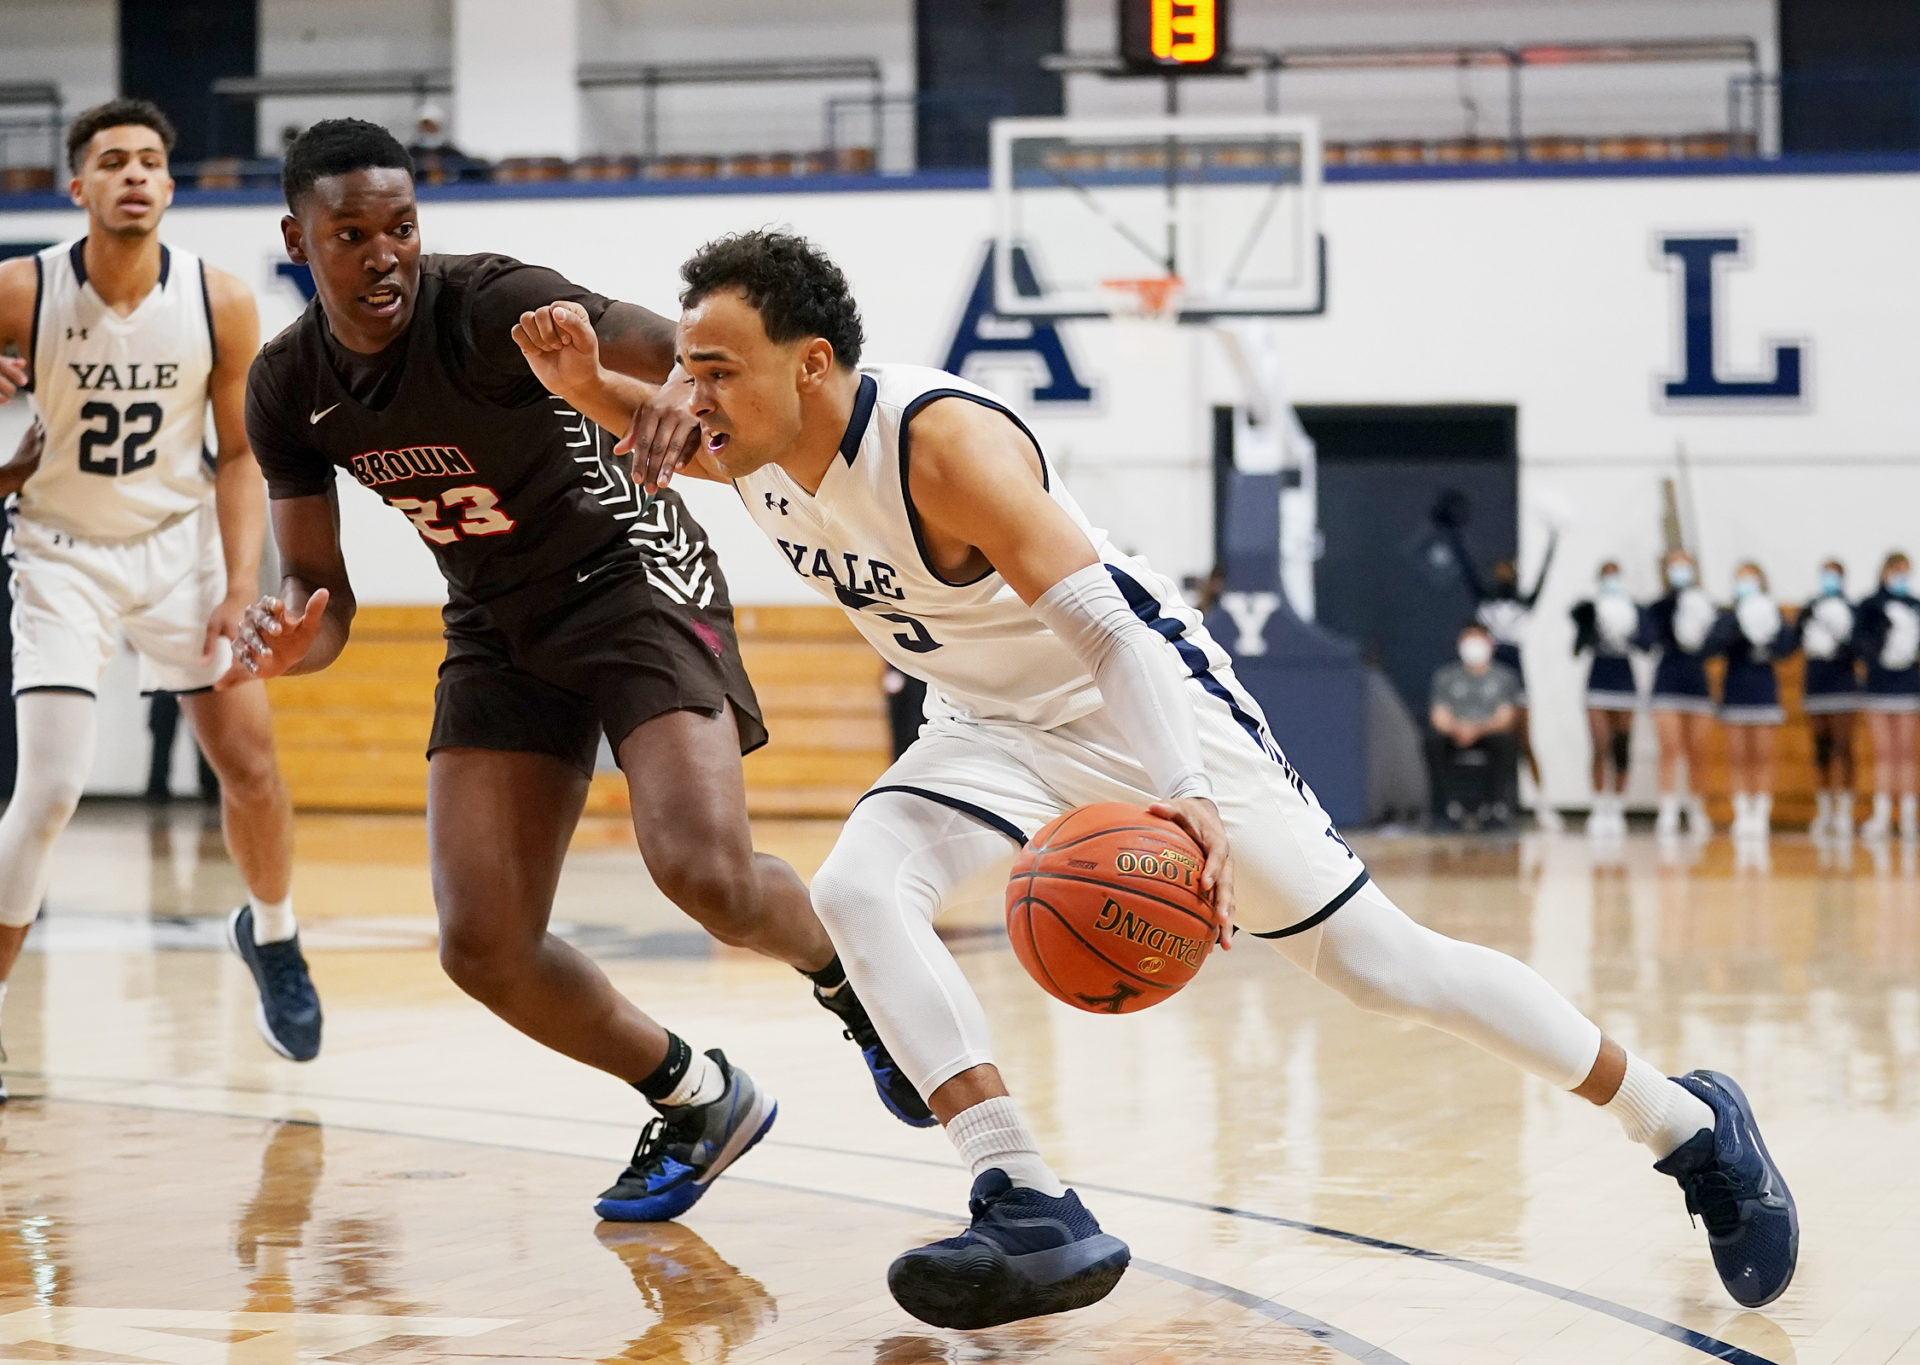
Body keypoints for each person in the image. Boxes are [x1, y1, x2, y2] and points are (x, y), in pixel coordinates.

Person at [511, 229, 1798, 1329]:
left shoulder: (942, 445)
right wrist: (586, 385)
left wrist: (1179, 787)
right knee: (857, 888)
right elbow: (665, 423)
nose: (691, 394)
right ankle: (1023, 1198)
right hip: (985, 722)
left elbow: (1115, 635)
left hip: (1135, 706)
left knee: (1381, 969)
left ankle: (1684, 1124)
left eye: (714, 367)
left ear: (810, 365)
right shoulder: (744, 439)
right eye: (684, 367)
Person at [225, 120, 925, 1223]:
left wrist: (685, 393)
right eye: (350, 234)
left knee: (704, 874)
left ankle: (859, 991)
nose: (383, 254)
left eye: (399, 226)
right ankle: (697, 1098)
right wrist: (298, 643)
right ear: (296, 239)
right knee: (482, 946)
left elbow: (664, 348)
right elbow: (323, 588)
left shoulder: (494, 300)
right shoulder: (287, 386)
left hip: (627, 577)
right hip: (496, 625)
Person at [0, 99, 321, 1105]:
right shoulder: (19, 288)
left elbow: (239, 456)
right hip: (60, 554)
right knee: (48, 789)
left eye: (148, 161)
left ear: (168, 187)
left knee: (251, 767)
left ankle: (273, 937)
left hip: (178, 551)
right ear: (77, 186)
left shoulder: (220, 299)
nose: (133, 174)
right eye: (111, 161)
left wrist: (233, 586)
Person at [1447, 527, 1556, 810]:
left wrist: (1554, 538)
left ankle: (1543, 804)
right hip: (1490, 681)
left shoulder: (1524, 605)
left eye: (1509, 571)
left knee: (1524, 742)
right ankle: (1489, 802)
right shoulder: (1486, 603)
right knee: (1491, 741)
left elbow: (1544, 576)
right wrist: (1454, 534)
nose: (1504, 576)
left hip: (1516, 679)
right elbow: (1467, 569)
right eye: (1500, 571)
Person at [1710, 561, 1797, 839]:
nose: (1745, 584)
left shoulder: (1771, 611)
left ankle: (1760, 811)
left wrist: (1772, 630)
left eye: (1750, 578)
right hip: (1736, 690)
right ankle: (1741, 811)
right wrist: (1738, 625)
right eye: (1740, 579)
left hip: (1763, 691)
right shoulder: (1729, 615)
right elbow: (1713, 645)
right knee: (1738, 755)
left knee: (1762, 754)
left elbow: (1785, 648)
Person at [1570, 559, 1650, 838]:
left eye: (1616, 574)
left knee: (1621, 745)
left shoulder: (1634, 609)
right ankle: (1599, 804)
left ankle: (1617, 804)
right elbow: (1577, 648)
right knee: (1599, 744)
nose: (1612, 580)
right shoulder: (1590, 608)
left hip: (1624, 680)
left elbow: (1648, 643)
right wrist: (1589, 626)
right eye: (1607, 575)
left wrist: (1630, 634)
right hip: (1599, 679)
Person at [1644, 549, 1718, 840]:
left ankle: (1697, 809)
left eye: (1685, 566)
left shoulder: (1704, 603)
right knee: (1669, 747)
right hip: (1667, 681)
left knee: (1697, 749)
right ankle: (1669, 810)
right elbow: (1648, 639)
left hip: (1696, 681)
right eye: (1674, 566)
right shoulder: (1660, 606)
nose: (1680, 571)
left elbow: (1714, 642)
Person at [1426, 623, 1522, 830]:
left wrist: (1477, 729)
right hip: (1456, 733)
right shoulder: (1447, 676)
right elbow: (1439, 715)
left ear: (1490, 644)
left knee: (1506, 742)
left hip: (1488, 733)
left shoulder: (1504, 677)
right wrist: (1457, 728)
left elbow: (1506, 717)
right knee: (1433, 742)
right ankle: (1444, 808)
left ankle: (1498, 807)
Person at [1854, 551, 1919, 840]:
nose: (1900, 576)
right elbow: (1859, 642)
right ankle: (1881, 815)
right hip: (1879, 686)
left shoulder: (1915, 606)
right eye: (1895, 570)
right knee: (1883, 751)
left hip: (1908, 685)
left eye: (1905, 571)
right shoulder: (1870, 606)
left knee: (1906, 751)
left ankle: (1907, 815)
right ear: (1884, 572)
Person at [1800, 559, 1862, 837]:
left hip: (1843, 684)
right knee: (1821, 747)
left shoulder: (1852, 609)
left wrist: (1842, 642)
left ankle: (1845, 811)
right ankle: (1825, 809)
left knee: (1844, 745)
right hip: (1817, 684)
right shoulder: (1811, 608)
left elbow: (1860, 647)